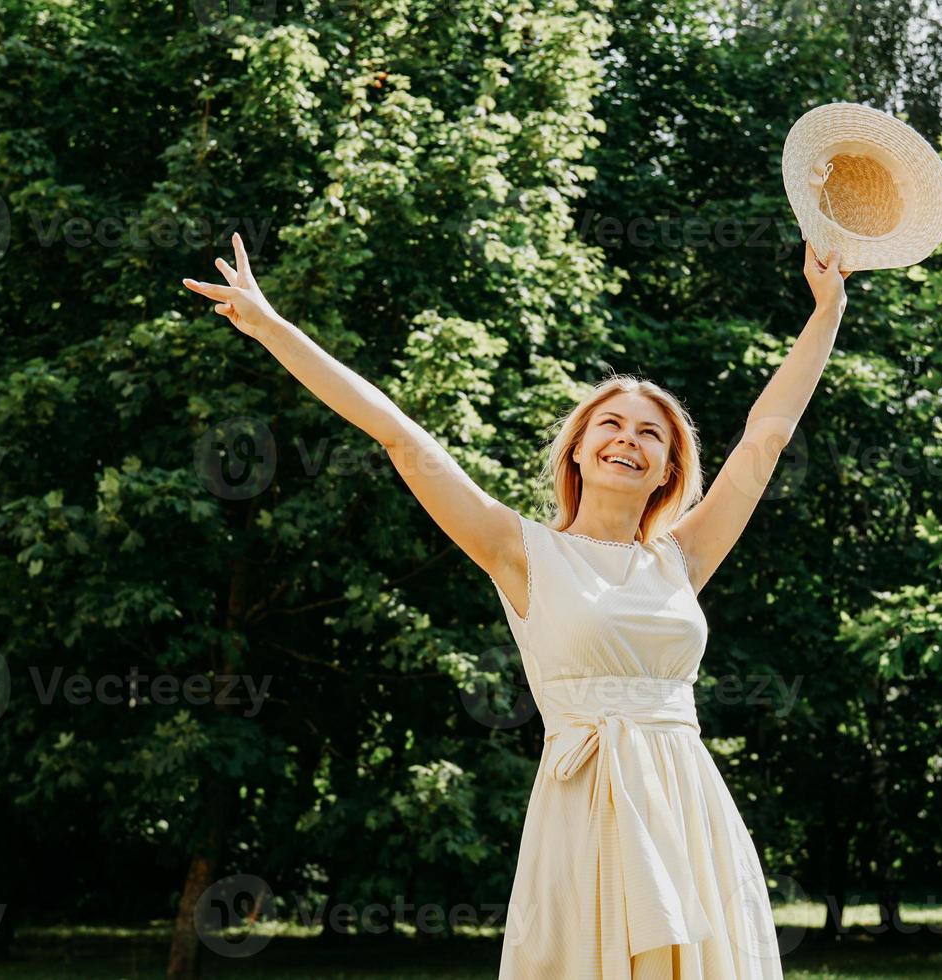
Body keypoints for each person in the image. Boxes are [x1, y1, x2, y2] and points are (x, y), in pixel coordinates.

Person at [184, 232, 850, 978]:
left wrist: (828, 310)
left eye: (649, 435)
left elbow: (767, 436)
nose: (627, 440)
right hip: (586, 810)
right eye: (612, 424)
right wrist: (273, 326)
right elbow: (401, 438)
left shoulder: (680, 557)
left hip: (685, 809)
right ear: (577, 448)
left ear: (668, 469)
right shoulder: (520, 551)